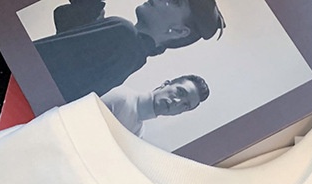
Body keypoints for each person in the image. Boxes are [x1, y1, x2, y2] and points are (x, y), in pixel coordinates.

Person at [34, 0, 225, 102]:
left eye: (175, 2)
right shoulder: (132, 53)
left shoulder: (123, 35)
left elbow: (43, 60)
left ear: (178, 31)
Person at [101, 74, 209, 137]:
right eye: (180, 92)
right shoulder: (121, 97)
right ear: (165, 84)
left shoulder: (138, 132)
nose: (177, 101)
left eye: (185, 105)